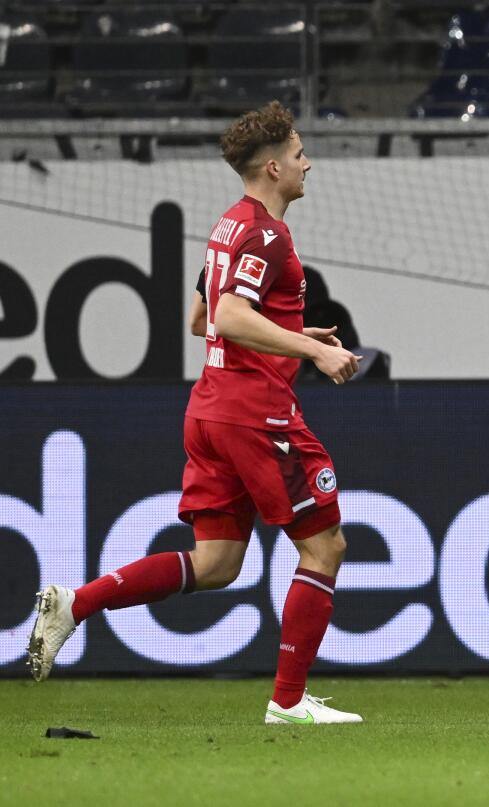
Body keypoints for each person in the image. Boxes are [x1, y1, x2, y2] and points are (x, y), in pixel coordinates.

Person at [28, 101, 366, 726]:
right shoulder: (267, 233)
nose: (306, 163)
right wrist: (313, 349)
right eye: (297, 155)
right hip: (255, 415)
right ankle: (288, 704)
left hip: (209, 411)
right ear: (272, 166)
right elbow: (231, 318)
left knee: (216, 563)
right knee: (325, 548)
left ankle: (75, 604)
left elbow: (199, 319)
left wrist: (288, 327)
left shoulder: (227, 227)